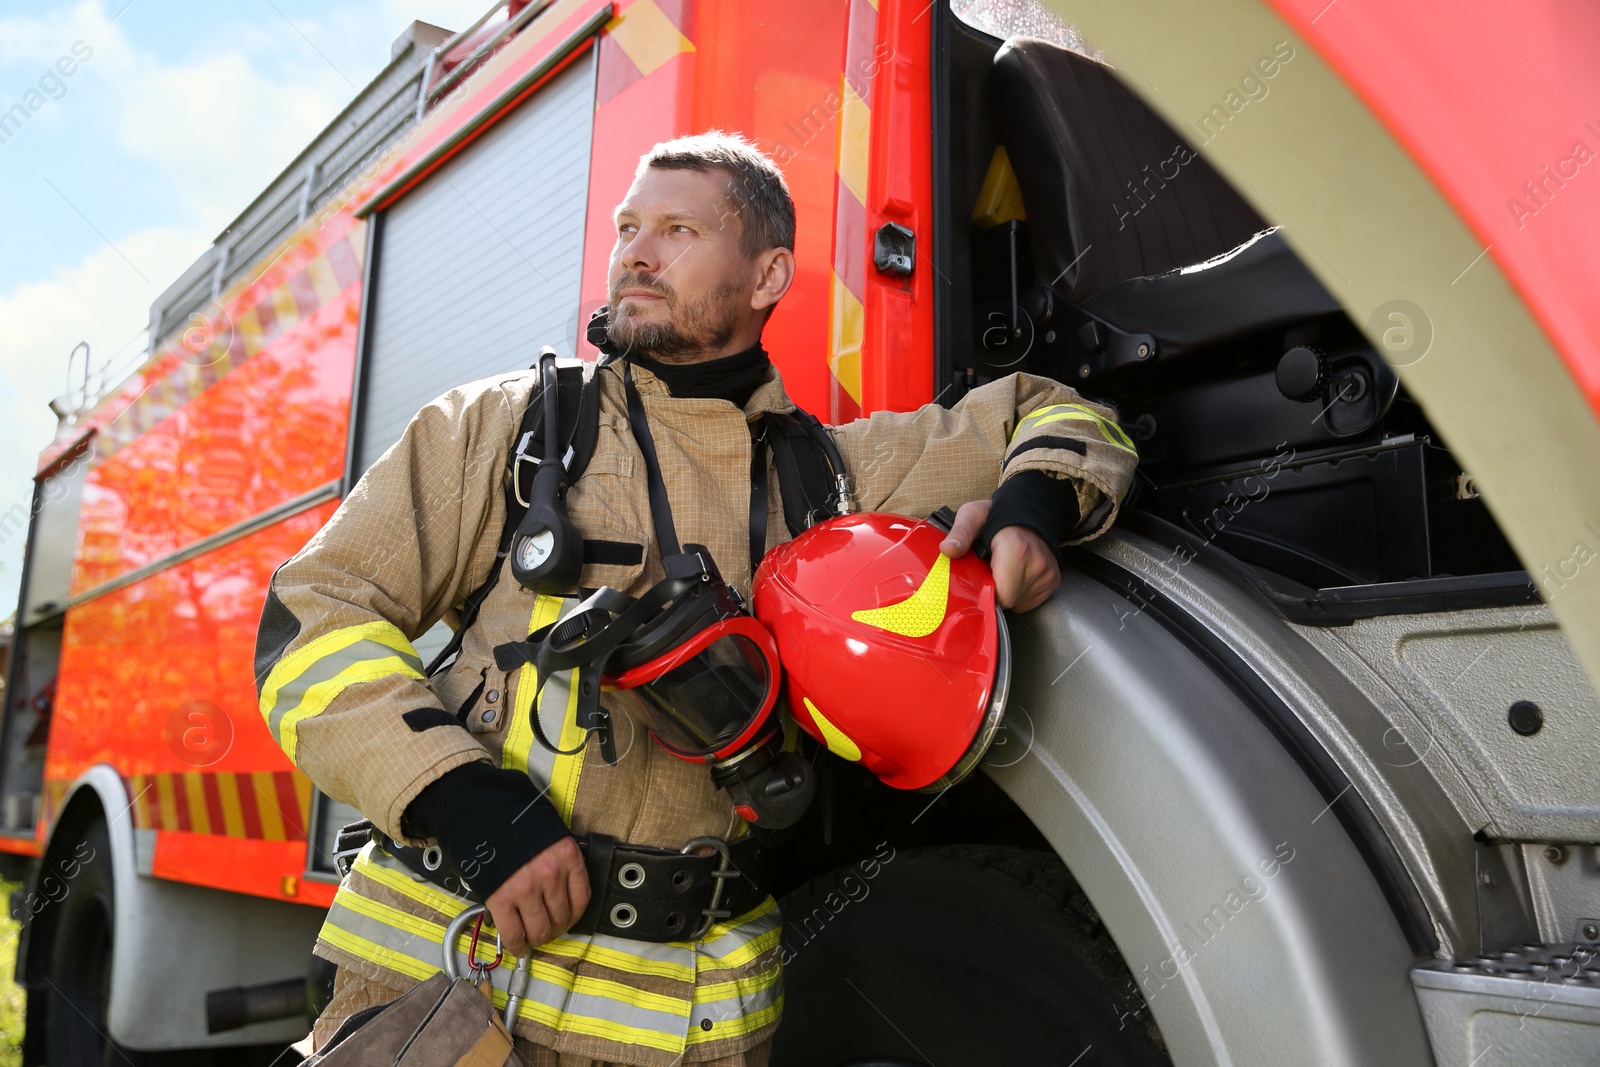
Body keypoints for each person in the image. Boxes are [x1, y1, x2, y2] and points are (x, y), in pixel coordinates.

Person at [255, 131, 1138, 1067]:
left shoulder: (828, 477)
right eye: (628, 225)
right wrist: (463, 800)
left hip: (695, 1035)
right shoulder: (506, 432)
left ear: (768, 275)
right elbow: (312, 616)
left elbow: (1056, 410)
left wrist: (1034, 502)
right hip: (447, 994)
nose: (635, 250)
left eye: (677, 228)